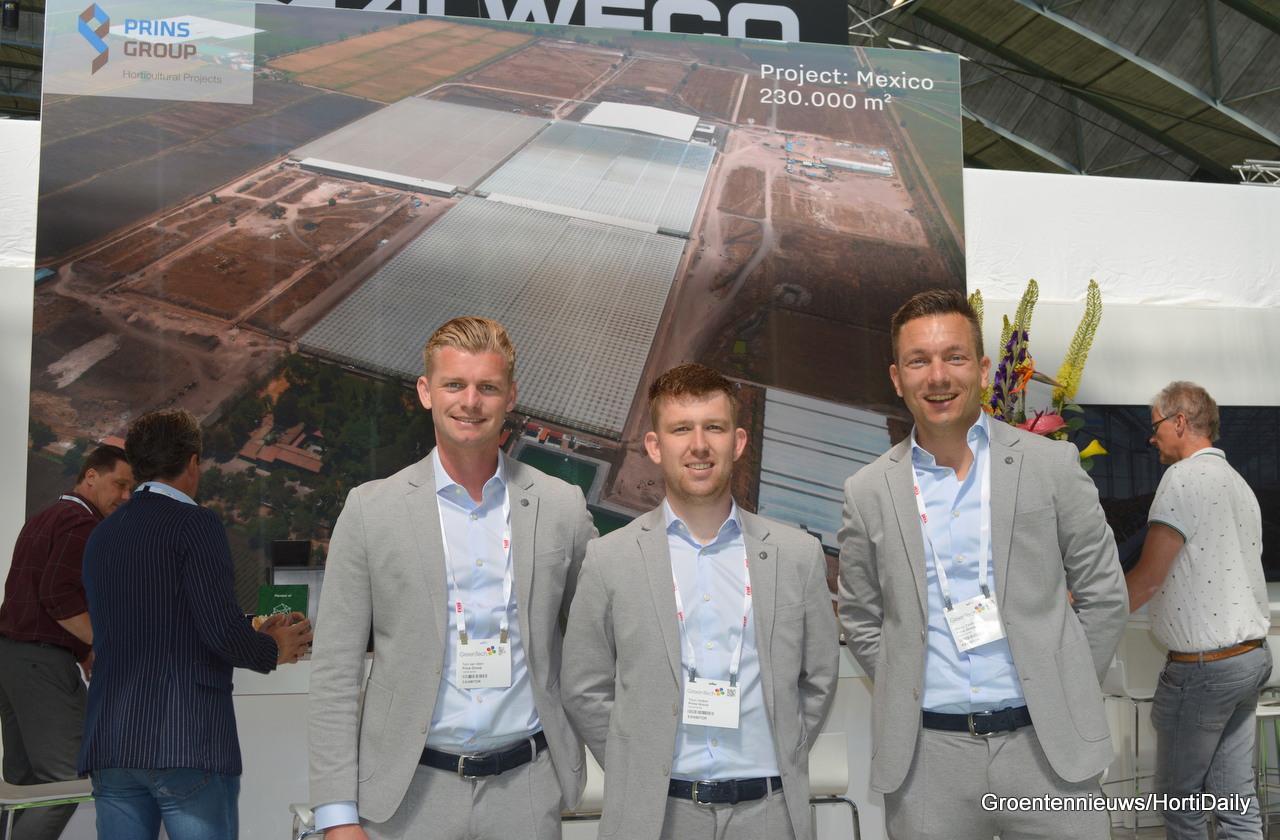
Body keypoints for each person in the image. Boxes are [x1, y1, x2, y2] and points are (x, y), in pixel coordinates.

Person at [837, 288, 1128, 840]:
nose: (938, 376)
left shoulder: (1051, 465)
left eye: (954, 357)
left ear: (984, 368)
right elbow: (860, 617)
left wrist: (1061, 686)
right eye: (918, 361)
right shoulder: (868, 491)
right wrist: (906, 681)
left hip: (1048, 752)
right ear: (897, 378)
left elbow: (1104, 595)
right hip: (927, 762)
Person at [308, 316, 597, 840]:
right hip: (408, 797)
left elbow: (606, 637)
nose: (470, 401)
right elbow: (335, 672)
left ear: (510, 396)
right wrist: (336, 815)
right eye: (454, 385)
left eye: (487, 387)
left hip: (528, 791)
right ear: (426, 392)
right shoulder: (370, 511)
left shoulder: (561, 506)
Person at [562, 363, 838, 840]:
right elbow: (584, 685)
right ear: (654, 446)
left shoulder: (797, 555)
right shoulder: (610, 559)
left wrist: (784, 751)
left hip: (769, 814)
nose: (699, 445)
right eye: (681, 429)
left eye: (714, 427)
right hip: (655, 818)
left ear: (738, 441)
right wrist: (636, 765)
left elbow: (819, 679)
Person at [78, 409, 312, 840]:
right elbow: (219, 630)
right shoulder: (194, 522)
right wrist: (273, 648)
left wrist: (251, 632)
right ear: (192, 462)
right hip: (183, 737)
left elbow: (155, 620)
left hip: (110, 741)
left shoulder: (102, 534)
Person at [1125, 381, 1270, 839]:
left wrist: (1089, 610)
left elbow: (1150, 577)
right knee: (1234, 800)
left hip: (1205, 672)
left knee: (1179, 800)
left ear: (1180, 422)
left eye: (1155, 426)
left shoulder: (1183, 478)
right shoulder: (1239, 484)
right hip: (1248, 659)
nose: (1152, 437)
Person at [0, 444, 131, 840]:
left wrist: (85, 649)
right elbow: (57, 595)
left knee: (23, 785)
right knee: (67, 782)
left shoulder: (45, 517)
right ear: (91, 476)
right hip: (41, 664)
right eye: (119, 484)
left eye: (130, 488)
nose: (125, 496)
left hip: (12, 659)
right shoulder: (82, 523)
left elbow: (38, 595)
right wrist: (102, 643)